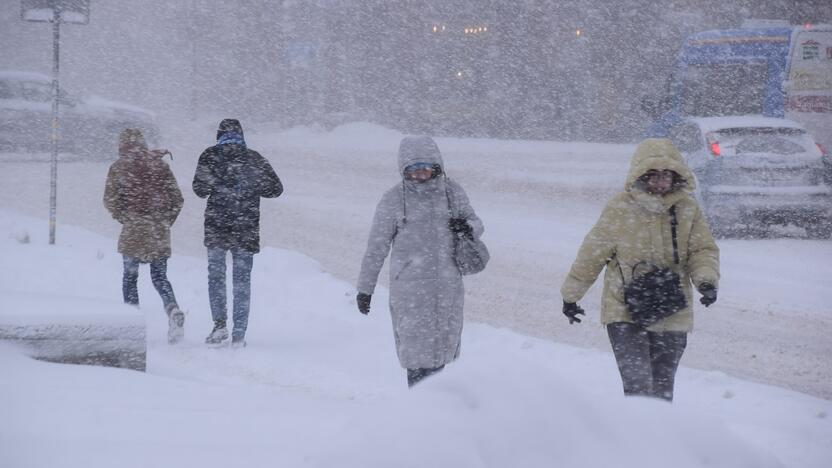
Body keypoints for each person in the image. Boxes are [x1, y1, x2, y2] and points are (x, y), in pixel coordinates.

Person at [560, 138, 719, 402]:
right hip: (625, 310)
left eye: (666, 175)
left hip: (672, 309)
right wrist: (571, 296)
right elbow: (592, 253)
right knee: (638, 388)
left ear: (676, 175)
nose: (660, 182)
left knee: (662, 391)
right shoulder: (620, 208)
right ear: (640, 175)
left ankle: (657, 441)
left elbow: (703, 250)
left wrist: (706, 281)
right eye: (653, 175)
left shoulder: (687, 209)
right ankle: (636, 440)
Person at [356, 136, 485, 387]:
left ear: (437, 166)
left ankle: (439, 405)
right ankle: (420, 408)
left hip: (447, 286)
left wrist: (466, 227)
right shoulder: (393, 199)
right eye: (413, 169)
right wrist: (365, 289)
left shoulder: (452, 192)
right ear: (404, 169)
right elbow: (376, 248)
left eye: (425, 167)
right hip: (410, 289)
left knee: (443, 349)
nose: (420, 174)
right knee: (416, 353)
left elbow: (477, 223)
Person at [193, 119, 283, 347]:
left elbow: (199, 190)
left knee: (216, 277)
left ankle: (219, 325)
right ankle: (239, 333)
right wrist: (251, 187)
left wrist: (217, 184)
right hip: (246, 228)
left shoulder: (209, 156)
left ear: (218, 134)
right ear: (242, 135)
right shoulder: (254, 158)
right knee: (242, 282)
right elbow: (276, 189)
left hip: (217, 226)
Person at [104, 128, 185, 344]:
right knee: (159, 277)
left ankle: (132, 324)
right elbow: (177, 199)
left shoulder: (118, 167)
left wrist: (125, 217)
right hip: (158, 230)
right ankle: (173, 309)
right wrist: (165, 221)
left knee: (130, 278)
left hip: (133, 230)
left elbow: (110, 199)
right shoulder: (160, 165)